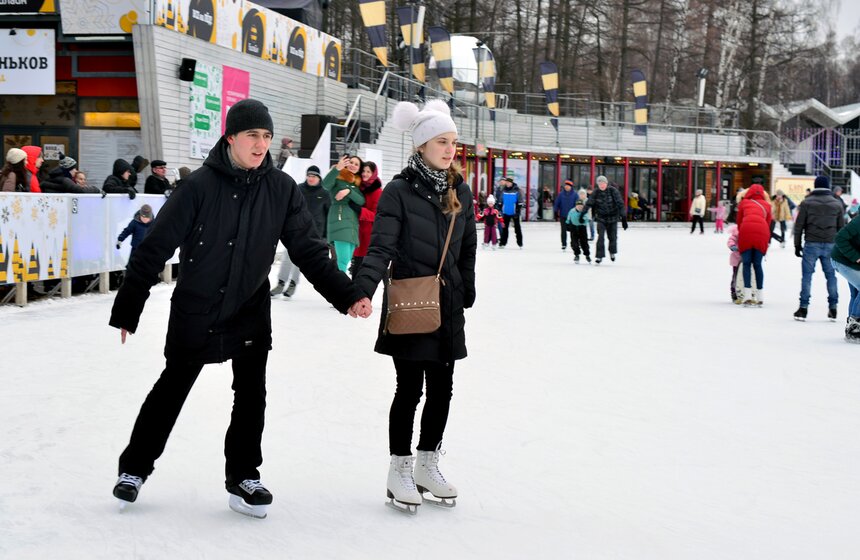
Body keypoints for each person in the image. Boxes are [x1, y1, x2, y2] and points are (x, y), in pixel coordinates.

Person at [108, 99, 372, 519]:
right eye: (252, 135)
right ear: (230, 137)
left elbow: (307, 249)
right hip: (197, 307)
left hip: (249, 307)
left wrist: (346, 294)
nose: (261, 144)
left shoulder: (281, 188)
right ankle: (134, 470)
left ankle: (244, 477)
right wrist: (128, 307)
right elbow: (155, 246)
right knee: (171, 389)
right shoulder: (198, 186)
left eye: (266, 136)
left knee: (251, 395)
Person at [353, 99, 476, 514]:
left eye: (453, 142)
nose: (449, 149)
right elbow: (381, 247)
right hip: (410, 303)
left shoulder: (460, 189)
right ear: (422, 144)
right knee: (409, 389)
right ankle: (399, 469)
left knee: (443, 387)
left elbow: (468, 247)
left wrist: (467, 288)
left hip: (449, 303)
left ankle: (428, 464)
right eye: (442, 141)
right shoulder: (398, 192)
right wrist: (363, 289)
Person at [270, 165, 331, 298]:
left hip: (314, 233)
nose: (310, 178)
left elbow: (328, 215)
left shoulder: (324, 194)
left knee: (299, 260)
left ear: (319, 178)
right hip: (295, 229)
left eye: (313, 176)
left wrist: (326, 236)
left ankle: (292, 284)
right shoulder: (299, 189)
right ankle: (281, 283)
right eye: (309, 175)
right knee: (287, 257)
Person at [793, 175, 844, 321]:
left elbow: (799, 226)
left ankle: (803, 308)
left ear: (815, 186)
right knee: (831, 276)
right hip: (831, 244)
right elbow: (841, 228)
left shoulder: (807, 202)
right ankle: (833, 308)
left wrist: (797, 245)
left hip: (811, 243)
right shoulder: (836, 204)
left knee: (807, 276)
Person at [322, 155, 365, 273]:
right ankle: (341, 288)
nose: (353, 166)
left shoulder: (355, 183)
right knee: (343, 260)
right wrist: (337, 169)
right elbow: (325, 185)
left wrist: (348, 191)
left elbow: (361, 201)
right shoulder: (338, 176)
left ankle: (337, 286)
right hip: (339, 219)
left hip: (352, 224)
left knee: (345, 260)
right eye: (351, 162)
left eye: (357, 164)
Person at [736, 183, 772, 306]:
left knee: (746, 264)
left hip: (746, 231)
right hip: (762, 233)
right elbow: (768, 223)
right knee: (757, 264)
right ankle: (760, 296)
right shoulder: (767, 205)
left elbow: (739, 222)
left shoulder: (743, 203)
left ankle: (747, 296)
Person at [580, 176, 626, 264]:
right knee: (600, 237)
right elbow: (589, 203)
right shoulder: (596, 192)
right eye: (600, 184)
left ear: (606, 183)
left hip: (613, 218)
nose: (602, 185)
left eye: (603, 183)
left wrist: (624, 218)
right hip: (601, 218)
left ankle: (612, 252)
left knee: (612, 237)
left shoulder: (613, 191)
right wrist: (582, 214)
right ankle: (599, 256)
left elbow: (620, 203)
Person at [831, 211, 860, 343]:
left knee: (855, 293)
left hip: (852, 263)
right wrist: (856, 257)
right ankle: (855, 327)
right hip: (842, 260)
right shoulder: (858, 222)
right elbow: (840, 238)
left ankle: (851, 328)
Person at [350, 160, 383, 276]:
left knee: (365, 269)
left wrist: (360, 211)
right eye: (363, 171)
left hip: (369, 234)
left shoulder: (378, 191)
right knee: (356, 270)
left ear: (374, 173)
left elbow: (376, 215)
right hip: (357, 232)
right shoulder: (359, 187)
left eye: (368, 171)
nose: (365, 174)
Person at [553, 180, 579, 250]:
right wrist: (555, 212)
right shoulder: (561, 194)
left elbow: (578, 205)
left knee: (572, 231)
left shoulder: (575, 195)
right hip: (563, 216)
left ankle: (573, 243)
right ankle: (564, 244)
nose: (566, 187)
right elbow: (557, 203)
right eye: (565, 185)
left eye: (568, 186)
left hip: (572, 217)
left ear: (571, 187)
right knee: (563, 230)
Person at [498, 175, 523, 248]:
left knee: (517, 228)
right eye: (507, 182)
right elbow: (500, 201)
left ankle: (520, 243)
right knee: (504, 228)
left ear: (512, 183)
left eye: (509, 182)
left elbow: (520, 202)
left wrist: (517, 211)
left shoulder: (517, 190)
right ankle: (503, 243)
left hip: (514, 212)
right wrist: (499, 207)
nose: (508, 184)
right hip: (505, 212)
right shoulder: (504, 190)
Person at [565, 198, 591, 263]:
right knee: (574, 242)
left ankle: (587, 255)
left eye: (581, 206)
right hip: (574, 228)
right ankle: (577, 255)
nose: (579, 207)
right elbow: (568, 218)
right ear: (576, 206)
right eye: (578, 206)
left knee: (584, 242)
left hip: (582, 228)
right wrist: (567, 224)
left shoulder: (584, 211)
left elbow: (587, 218)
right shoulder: (572, 211)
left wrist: (584, 220)